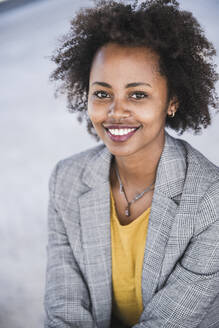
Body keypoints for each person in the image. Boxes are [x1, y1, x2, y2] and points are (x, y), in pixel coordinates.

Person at [44, 1, 219, 327]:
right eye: (102, 93)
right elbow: (64, 304)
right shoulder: (65, 180)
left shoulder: (211, 200)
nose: (115, 112)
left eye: (137, 95)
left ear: (172, 101)